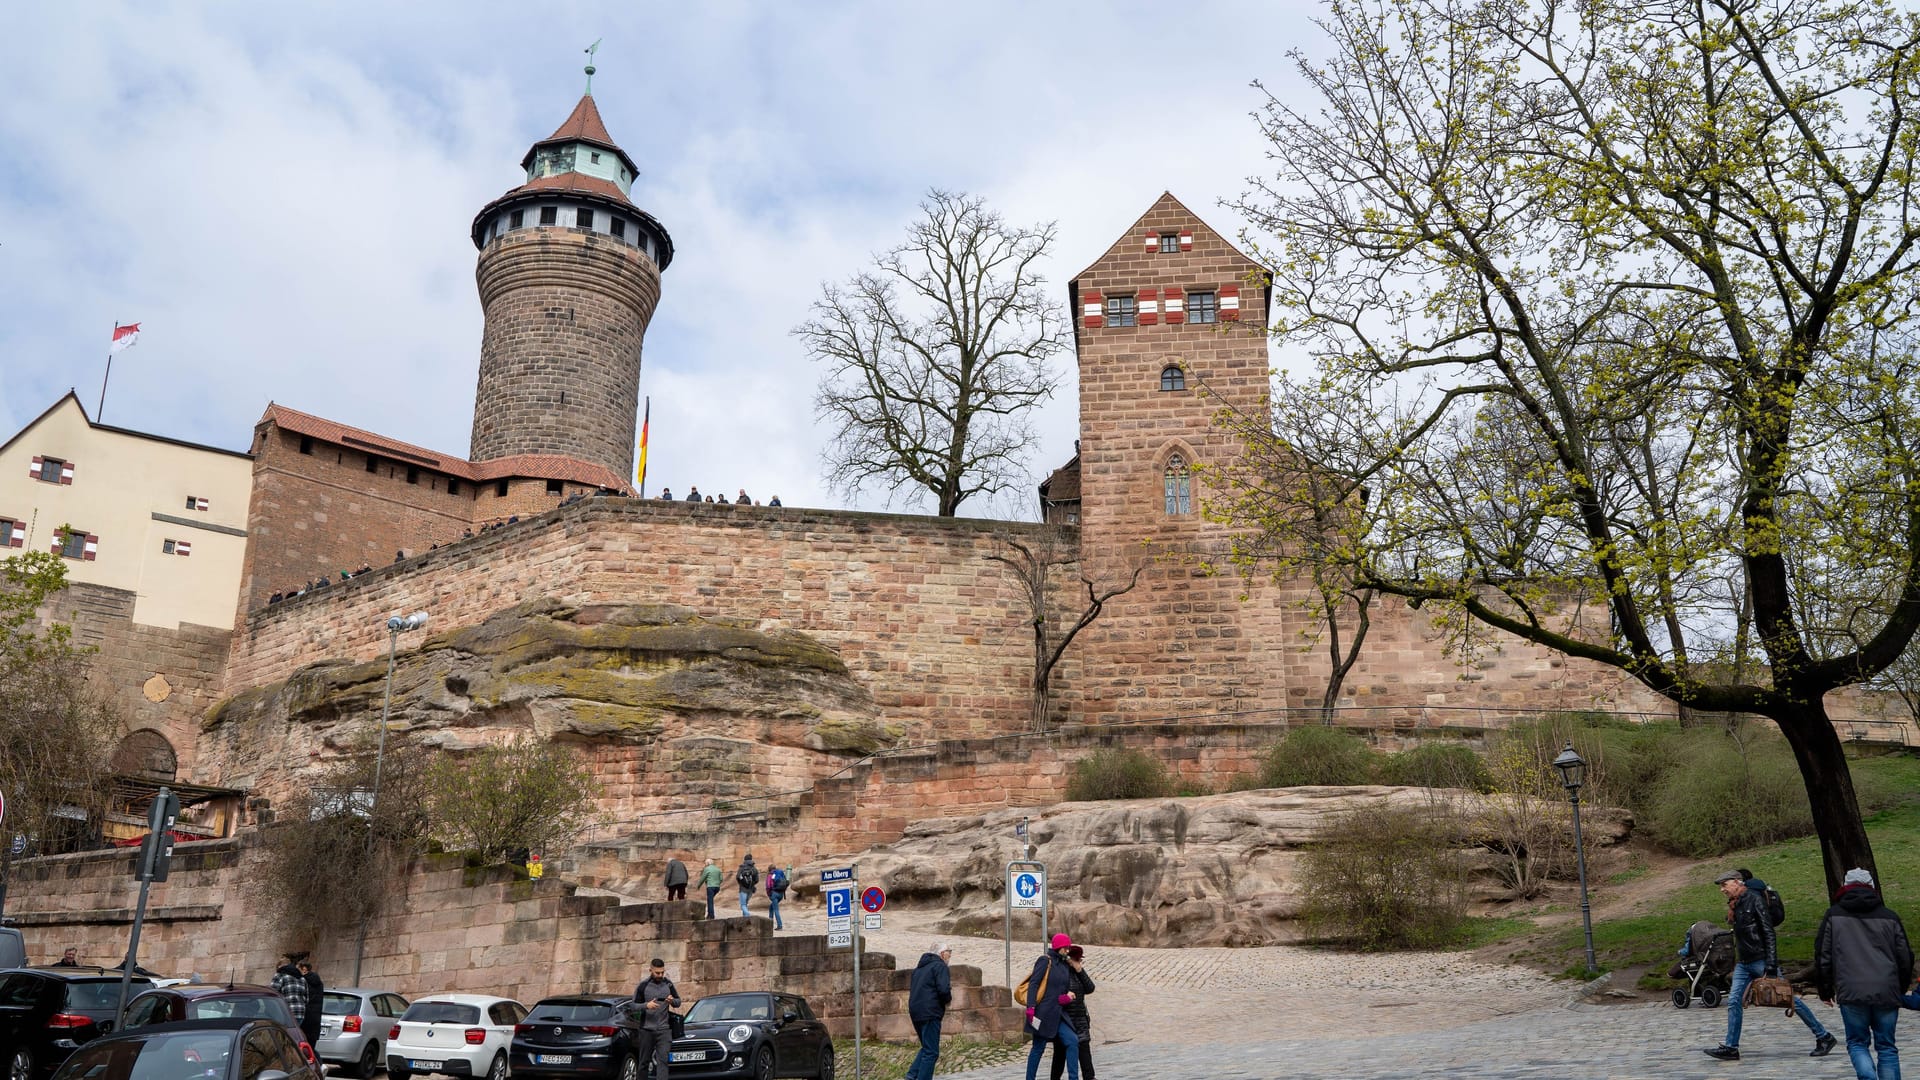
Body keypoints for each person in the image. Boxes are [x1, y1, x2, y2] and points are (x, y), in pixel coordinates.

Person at [1705, 870, 1837, 1061]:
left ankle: (1824, 1036)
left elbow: (1768, 932)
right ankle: (1731, 1047)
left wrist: (1771, 963)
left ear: (1737, 882)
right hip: (1744, 963)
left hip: (1760, 960)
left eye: (1724, 885)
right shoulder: (1736, 904)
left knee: (1789, 999)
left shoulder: (1754, 899)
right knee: (1734, 1001)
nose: (1722, 890)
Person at [1814, 867, 1914, 1080]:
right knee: (1887, 1046)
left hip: (1851, 989)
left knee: (1857, 1042)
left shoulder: (1834, 916)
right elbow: (1905, 957)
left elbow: (1823, 954)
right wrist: (1901, 988)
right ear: (1872, 887)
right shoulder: (1889, 917)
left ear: (1845, 886)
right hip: (1886, 989)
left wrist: (1824, 989)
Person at [1023, 933, 1081, 1080]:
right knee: (1038, 1048)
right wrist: (1031, 1007)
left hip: (1059, 1014)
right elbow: (1034, 984)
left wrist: (1065, 998)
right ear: (1058, 947)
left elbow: (1060, 991)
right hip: (1043, 1014)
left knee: (1072, 1041)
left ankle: (1073, 1078)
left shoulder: (1064, 965)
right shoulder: (1044, 961)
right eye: (1066, 948)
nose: (1067, 951)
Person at [906, 944, 952, 1080]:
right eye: (949, 952)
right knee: (931, 1052)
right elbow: (943, 989)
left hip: (916, 1012)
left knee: (927, 1047)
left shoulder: (918, 969)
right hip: (930, 1012)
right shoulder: (940, 966)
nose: (950, 955)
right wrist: (947, 1000)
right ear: (942, 953)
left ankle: (911, 1076)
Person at [1049, 945, 1096, 1080]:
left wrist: (1080, 970)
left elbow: (1090, 988)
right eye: (1079, 960)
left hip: (1080, 1020)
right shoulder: (1062, 973)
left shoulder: (1079, 972)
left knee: (1085, 1053)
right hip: (1065, 1020)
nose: (1080, 962)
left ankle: (1090, 1078)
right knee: (1060, 1055)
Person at [633, 957, 681, 1080]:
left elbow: (678, 1001)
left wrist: (672, 1001)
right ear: (650, 970)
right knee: (644, 1062)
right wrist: (646, 1005)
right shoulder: (643, 986)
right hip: (646, 1030)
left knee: (663, 1061)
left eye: (662, 972)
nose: (660, 975)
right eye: (657, 973)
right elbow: (632, 1005)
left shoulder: (668, 984)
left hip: (664, 1030)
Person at [271, 952, 310, 1032]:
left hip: (285, 1013)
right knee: (292, 1037)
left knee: (281, 1039)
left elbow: (271, 994)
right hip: (300, 1013)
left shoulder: (280, 975)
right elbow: (306, 999)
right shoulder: (302, 978)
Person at [299, 961, 324, 1049]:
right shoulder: (319, 983)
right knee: (311, 1049)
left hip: (305, 1018)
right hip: (315, 1019)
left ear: (304, 970)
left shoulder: (302, 981)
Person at [765, 861, 788, 930]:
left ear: (769, 869)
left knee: (776, 910)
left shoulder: (770, 875)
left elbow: (768, 886)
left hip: (774, 894)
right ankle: (769, 924)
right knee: (771, 908)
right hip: (781, 894)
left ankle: (779, 925)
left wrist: (769, 894)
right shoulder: (780, 873)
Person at [736, 853, 760, 918]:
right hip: (750, 889)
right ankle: (745, 918)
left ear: (744, 859)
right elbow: (757, 880)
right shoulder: (754, 869)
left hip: (743, 889)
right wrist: (752, 884)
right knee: (745, 904)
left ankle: (747, 915)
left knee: (743, 905)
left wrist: (741, 883)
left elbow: (738, 877)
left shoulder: (741, 867)